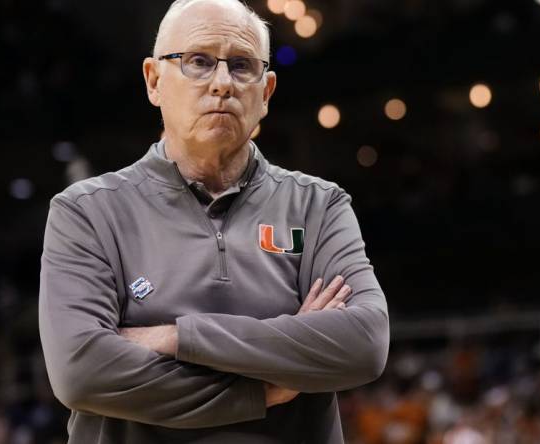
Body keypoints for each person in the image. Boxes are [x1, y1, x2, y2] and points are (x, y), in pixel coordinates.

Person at [38, 0, 390, 442]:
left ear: (266, 92)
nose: (222, 83)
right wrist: (260, 392)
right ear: (153, 81)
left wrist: (176, 337)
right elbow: (81, 372)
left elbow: (364, 344)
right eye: (198, 62)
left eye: (242, 66)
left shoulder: (319, 205)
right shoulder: (86, 211)